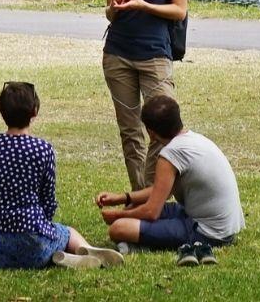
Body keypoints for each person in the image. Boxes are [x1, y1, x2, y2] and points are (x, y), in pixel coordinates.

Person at [0, 81, 124, 271]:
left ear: (1, 110)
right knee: (67, 232)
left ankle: (63, 258)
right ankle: (84, 251)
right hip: (33, 244)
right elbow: (48, 201)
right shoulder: (42, 149)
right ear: (34, 112)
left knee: (43, 237)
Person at [100, 0, 188, 190]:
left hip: (155, 55)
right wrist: (116, 5)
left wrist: (144, 5)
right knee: (130, 132)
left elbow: (180, 10)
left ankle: (157, 193)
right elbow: (109, 12)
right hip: (118, 55)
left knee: (163, 128)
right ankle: (141, 196)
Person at [96, 95, 243, 266]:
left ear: (151, 132)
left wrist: (117, 215)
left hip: (208, 232)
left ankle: (143, 246)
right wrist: (123, 198)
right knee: (133, 208)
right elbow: (161, 191)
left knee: (118, 228)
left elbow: (152, 212)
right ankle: (148, 238)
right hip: (218, 224)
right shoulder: (193, 139)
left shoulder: (170, 155)